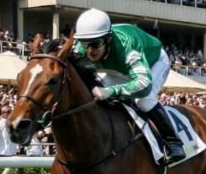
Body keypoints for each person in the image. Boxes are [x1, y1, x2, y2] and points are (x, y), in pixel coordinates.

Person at [73, 9, 184, 163]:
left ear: (108, 39)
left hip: (154, 62)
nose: (90, 50)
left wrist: (111, 90)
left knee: (143, 99)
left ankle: (174, 142)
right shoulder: (80, 50)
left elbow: (143, 85)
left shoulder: (127, 45)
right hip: (118, 70)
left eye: (96, 43)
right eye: (85, 44)